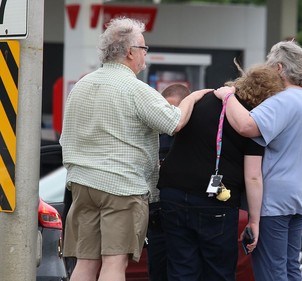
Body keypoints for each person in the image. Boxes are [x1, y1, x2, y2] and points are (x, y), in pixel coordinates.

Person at [60, 17, 211, 281]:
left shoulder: (81, 86)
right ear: (130, 52)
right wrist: (194, 97)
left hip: (81, 184)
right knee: (114, 264)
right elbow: (174, 122)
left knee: (84, 263)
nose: (145, 56)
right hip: (121, 187)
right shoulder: (135, 88)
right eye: (144, 49)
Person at [157, 63, 284, 281]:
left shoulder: (202, 100)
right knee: (218, 272)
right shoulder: (252, 120)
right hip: (215, 204)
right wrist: (255, 220)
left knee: (181, 270)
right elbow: (253, 176)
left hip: (173, 194)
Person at [214, 40, 302, 281]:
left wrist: (228, 96)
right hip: (301, 196)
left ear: (280, 68)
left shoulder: (285, 99)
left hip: (276, 201)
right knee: (291, 269)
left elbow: (246, 125)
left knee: (271, 272)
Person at [147, 83, 190, 281]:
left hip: (185, 213)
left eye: (176, 109)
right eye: (167, 109)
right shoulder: (155, 136)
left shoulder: (194, 136)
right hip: (158, 213)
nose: (171, 116)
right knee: (158, 271)